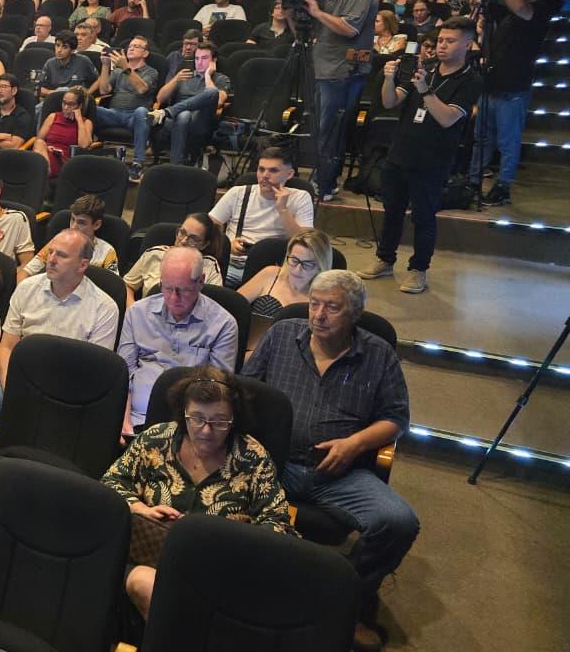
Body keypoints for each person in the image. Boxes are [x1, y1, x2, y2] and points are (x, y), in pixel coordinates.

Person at [243, 271, 417, 652]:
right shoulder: (281, 336)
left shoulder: (378, 355)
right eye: (315, 304)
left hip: (340, 473)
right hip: (276, 463)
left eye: (332, 307)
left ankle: (343, 599)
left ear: (354, 313)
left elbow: (397, 420)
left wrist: (355, 444)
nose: (319, 315)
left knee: (399, 522)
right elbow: (244, 391)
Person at [101, 366, 297, 619]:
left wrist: (219, 535)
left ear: (233, 418)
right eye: (197, 418)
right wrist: (142, 509)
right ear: (184, 414)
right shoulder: (157, 439)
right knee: (144, 582)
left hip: (220, 572)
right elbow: (109, 485)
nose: (206, 431)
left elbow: (278, 523)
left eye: (219, 421)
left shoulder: (251, 456)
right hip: (152, 559)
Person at [360, 16, 482, 294]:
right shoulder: (424, 67)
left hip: (432, 160)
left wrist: (425, 89)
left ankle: (418, 269)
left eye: (450, 41)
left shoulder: (470, 80)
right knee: (391, 212)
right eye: (440, 40)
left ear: (467, 44)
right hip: (400, 152)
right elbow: (391, 101)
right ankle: (385, 259)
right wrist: (389, 79)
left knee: (424, 217)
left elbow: (448, 118)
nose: (442, 46)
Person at [0, 229, 118, 416]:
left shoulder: (105, 308)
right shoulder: (26, 288)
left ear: (82, 265)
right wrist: (12, 388)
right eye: (51, 252)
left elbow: (94, 372)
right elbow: (7, 347)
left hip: (68, 395)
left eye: (62, 255)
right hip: (21, 380)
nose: (51, 259)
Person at [118, 246, 237, 431]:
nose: (174, 298)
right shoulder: (137, 313)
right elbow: (124, 375)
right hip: (135, 420)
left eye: (184, 290)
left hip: (189, 425)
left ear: (201, 282)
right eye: (167, 288)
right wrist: (123, 423)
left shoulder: (223, 325)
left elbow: (217, 392)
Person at [468, 0, 555, 206]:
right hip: (491, 84)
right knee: (481, 139)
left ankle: (503, 186)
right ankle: (472, 180)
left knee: (508, 141)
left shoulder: (540, 10)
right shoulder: (507, 13)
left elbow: (520, 8)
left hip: (513, 88)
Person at [299, 0, 378, 201]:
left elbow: (349, 28)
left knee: (331, 129)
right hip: (323, 70)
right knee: (320, 128)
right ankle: (321, 177)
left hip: (344, 71)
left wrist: (317, 12)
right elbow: (310, 31)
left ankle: (326, 182)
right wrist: (298, 14)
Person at [208, 147, 313, 284]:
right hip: (232, 264)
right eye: (261, 169)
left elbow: (306, 242)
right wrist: (226, 245)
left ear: (289, 174)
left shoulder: (300, 197)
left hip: (274, 267)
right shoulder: (238, 193)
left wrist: (283, 209)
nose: (265, 175)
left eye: (273, 170)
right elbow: (208, 227)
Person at [152, 42, 231, 165]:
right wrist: (175, 80)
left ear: (214, 61)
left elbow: (220, 100)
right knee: (184, 115)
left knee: (212, 92)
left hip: (201, 121)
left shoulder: (221, 78)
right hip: (175, 120)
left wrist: (207, 76)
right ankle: (176, 165)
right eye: (197, 58)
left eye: (204, 58)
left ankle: (168, 111)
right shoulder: (184, 76)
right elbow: (160, 98)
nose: (199, 62)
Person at [123, 212, 224, 304]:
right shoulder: (154, 254)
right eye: (182, 233)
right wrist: (132, 309)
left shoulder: (210, 267)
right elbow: (127, 285)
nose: (184, 241)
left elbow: (214, 304)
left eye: (193, 239)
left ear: (204, 244)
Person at [93, 38, 159, 179]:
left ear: (145, 53)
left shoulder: (151, 72)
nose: (131, 48)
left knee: (142, 112)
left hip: (134, 116)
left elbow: (142, 89)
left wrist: (126, 68)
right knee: (91, 107)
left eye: (136, 46)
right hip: (114, 114)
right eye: (130, 46)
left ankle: (137, 163)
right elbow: (104, 90)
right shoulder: (117, 72)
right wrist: (105, 66)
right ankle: (86, 153)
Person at [20, 194, 118, 281]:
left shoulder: (107, 252)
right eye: (72, 219)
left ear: (96, 224)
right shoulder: (56, 242)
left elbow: (113, 288)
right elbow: (26, 272)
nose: (73, 226)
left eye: (81, 222)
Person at [239, 229, 333, 320]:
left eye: (307, 265)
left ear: (320, 267)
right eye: (294, 260)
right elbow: (233, 305)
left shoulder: (324, 295)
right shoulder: (270, 274)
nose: (297, 270)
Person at [33, 86, 93, 179]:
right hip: (46, 155)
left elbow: (84, 145)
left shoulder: (86, 123)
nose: (65, 107)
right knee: (39, 143)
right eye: (64, 103)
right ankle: (42, 175)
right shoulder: (53, 117)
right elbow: (38, 140)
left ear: (79, 106)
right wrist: (48, 148)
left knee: (34, 168)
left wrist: (79, 119)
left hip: (65, 162)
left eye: (71, 104)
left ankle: (40, 176)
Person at [39, 31, 98, 98]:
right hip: (55, 99)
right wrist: (52, 92)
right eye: (57, 45)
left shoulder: (83, 61)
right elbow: (39, 88)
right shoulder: (49, 63)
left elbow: (97, 80)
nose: (59, 50)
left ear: (72, 50)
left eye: (65, 47)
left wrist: (86, 94)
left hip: (76, 101)